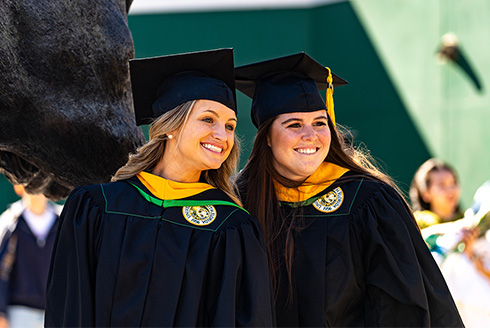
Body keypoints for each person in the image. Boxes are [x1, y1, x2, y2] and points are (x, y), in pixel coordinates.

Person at [45, 49, 274, 327]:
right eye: (208, 119)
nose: (222, 135)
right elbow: (68, 310)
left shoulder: (230, 227)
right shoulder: (98, 208)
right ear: (170, 126)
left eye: (230, 126)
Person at [234, 52, 464, 327]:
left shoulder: (369, 201)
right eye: (294, 125)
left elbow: (404, 308)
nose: (311, 135)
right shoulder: (239, 203)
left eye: (320, 123)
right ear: (267, 137)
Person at [0, 185, 61, 328]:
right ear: (19, 187)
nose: (38, 190)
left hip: (53, 312)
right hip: (19, 312)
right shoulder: (12, 223)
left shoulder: (62, 222)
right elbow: (2, 270)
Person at [410, 158, 463, 229]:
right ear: (425, 193)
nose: (450, 190)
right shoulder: (416, 223)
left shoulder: (467, 217)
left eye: (453, 182)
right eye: (442, 185)